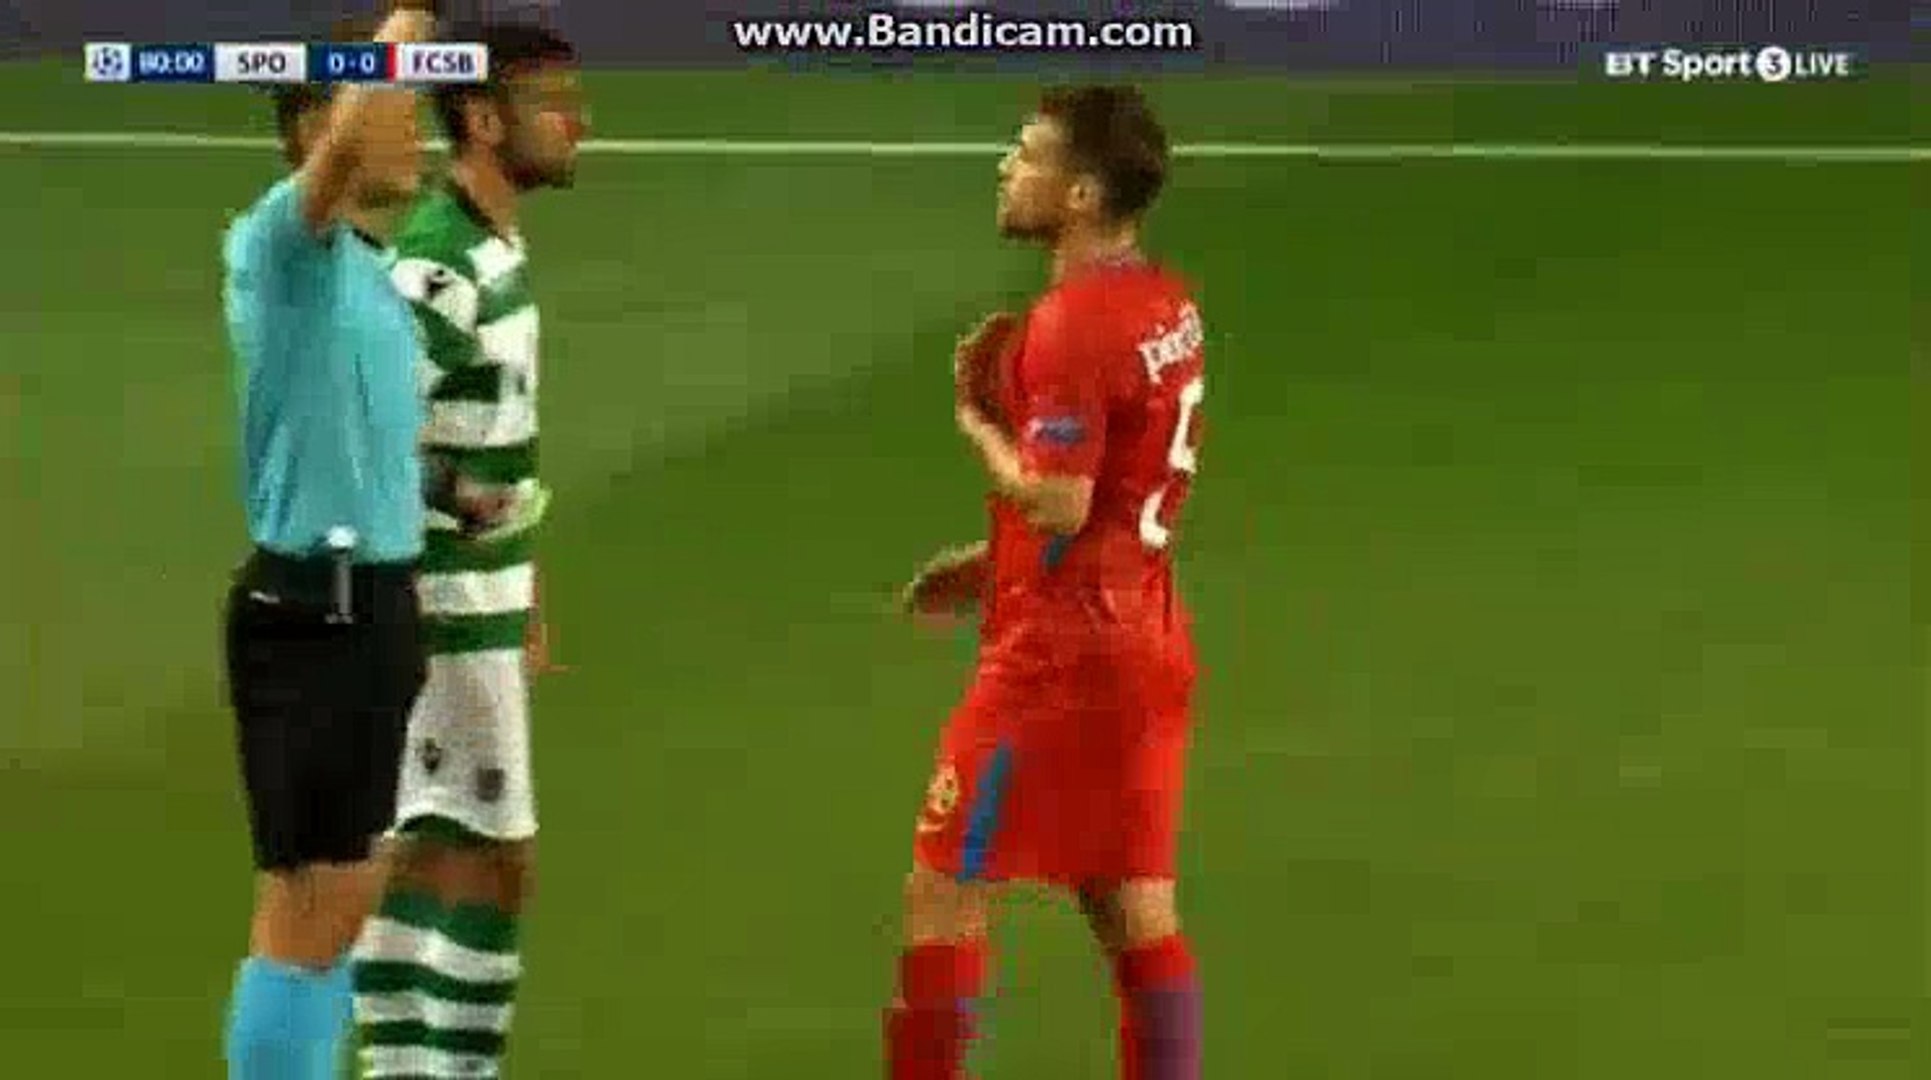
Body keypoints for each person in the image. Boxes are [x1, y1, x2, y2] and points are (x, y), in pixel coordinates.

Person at [889, 84, 1207, 1080]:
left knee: (943, 893)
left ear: (1079, 194)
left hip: (1058, 662)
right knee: (1130, 906)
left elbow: (1060, 502)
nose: (1006, 168)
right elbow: (1120, 497)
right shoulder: (1166, 304)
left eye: (1027, 154)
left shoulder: (1072, 324)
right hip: (1146, 634)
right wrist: (992, 566)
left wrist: (977, 426)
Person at [348, 20, 584, 1077]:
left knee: (429, 847)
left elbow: (490, 436)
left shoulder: (491, 246)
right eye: (553, 104)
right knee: (489, 857)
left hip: (475, 600)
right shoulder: (438, 266)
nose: (578, 123)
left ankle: (404, 1070)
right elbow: (364, 434)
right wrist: (456, 506)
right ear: (483, 121)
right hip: (436, 605)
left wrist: (524, 590)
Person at [217, 4, 439, 1077]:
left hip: (371, 608)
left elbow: (359, 443)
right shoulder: (279, 248)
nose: (418, 134)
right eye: (401, 110)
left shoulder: (365, 277)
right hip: (314, 612)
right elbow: (354, 135)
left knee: (346, 896)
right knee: (311, 906)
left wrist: (448, 498)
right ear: (320, 128)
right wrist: (402, 27)